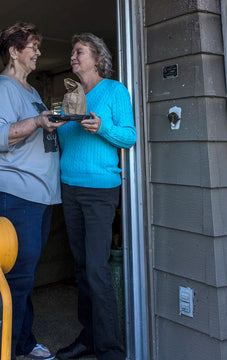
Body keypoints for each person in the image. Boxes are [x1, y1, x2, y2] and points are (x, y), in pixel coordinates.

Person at [0, 21, 63, 360]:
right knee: (15, 277)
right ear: (14, 51)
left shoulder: (30, 91)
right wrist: (39, 122)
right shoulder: (2, 87)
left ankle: (23, 341)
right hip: (12, 194)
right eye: (33, 46)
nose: (39, 51)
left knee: (23, 276)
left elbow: (38, 137)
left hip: (36, 195)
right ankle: (3, 350)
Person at [56, 33, 136, 360]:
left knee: (97, 270)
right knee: (81, 268)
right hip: (69, 187)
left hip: (100, 190)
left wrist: (102, 126)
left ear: (97, 58)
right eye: (73, 52)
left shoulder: (115, 91)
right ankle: (88, 338)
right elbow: (65, 139)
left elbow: (128, 137)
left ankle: (110, 350)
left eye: (79, 52)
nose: (73, 57)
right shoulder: (70, 96)